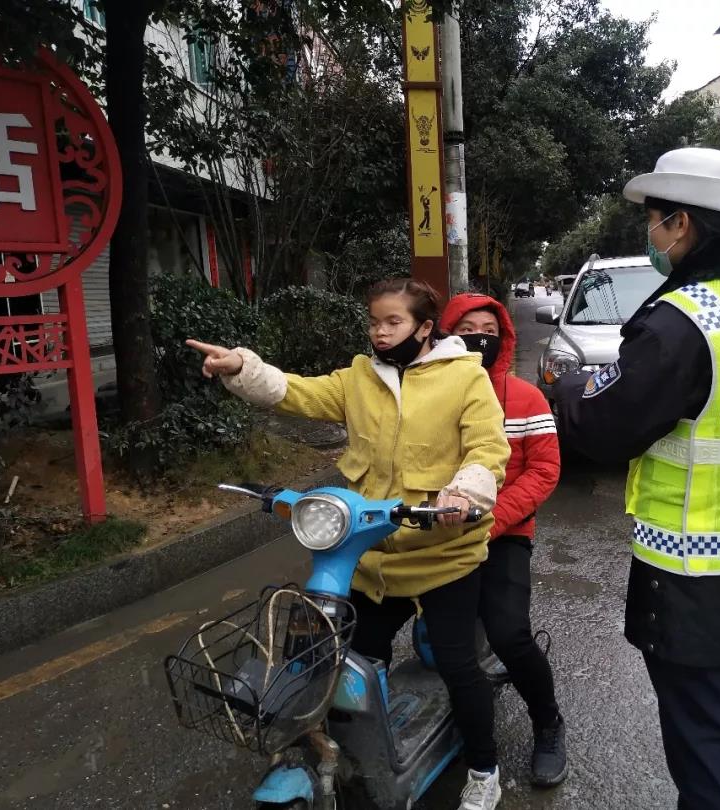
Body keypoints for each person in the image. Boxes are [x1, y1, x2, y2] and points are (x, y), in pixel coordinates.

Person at [552, 148, 720, 810]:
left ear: (681, 225)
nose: (650, 234)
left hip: (690, 573)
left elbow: (606, 427)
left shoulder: (684, 320)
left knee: (703, 743)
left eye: (653, 220)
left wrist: (564, 391)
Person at [187, 278, 512, 810]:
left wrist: (465, 491)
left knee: (458, 666)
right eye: (374, 322)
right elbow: (298, 392)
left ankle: (483, 768)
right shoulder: (360, 377)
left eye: (393, 322)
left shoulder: (466, 379)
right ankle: (349, 754)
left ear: (425, 327)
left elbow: (486, 446)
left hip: (443, 553)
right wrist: (241, 367)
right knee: (341, 661)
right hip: (369, 553)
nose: (380, 333)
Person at [440, 293, 568, 788]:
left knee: (509, 633)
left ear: (504, 338)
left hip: (503, 532)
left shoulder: (524, 398)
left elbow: (544, 469)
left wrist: (491, 521)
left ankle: (549, 722)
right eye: (466, 327)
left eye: (489, 330)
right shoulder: (425, 396)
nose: (478, 337)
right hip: (439, 535)